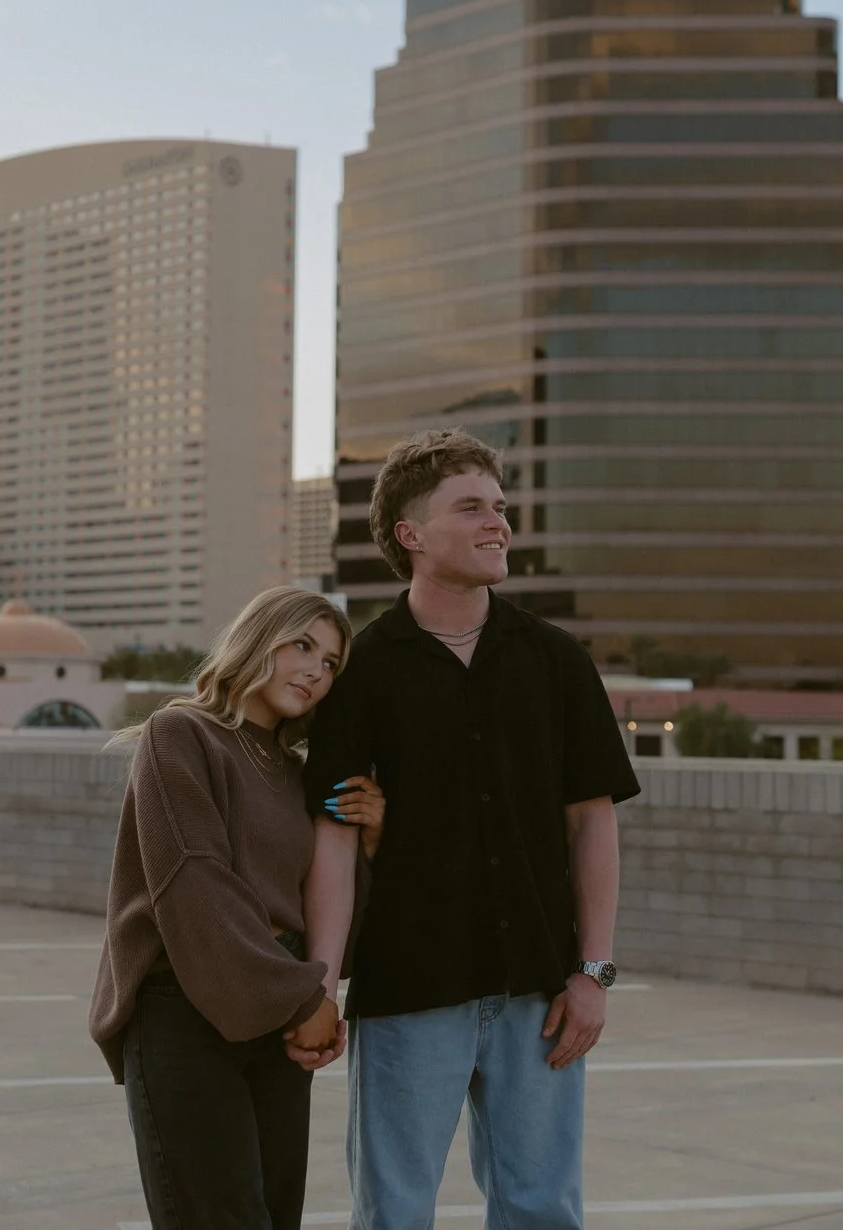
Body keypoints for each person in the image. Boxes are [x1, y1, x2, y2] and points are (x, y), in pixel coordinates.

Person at [300, 430, 640, 1230]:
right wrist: (320, 982)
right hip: (410, 987)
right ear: (410, 534)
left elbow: (593, 821)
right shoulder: (364, 671)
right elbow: (335, 837)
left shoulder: (556, 660)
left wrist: (594, 969)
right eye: (472, 507)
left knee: (542, 1208)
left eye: (500, 506)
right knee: (393, 1212)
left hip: (542, 992)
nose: (498, 523)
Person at [91, 586, 387, 1230]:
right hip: (186, 1005)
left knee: (276, 1218)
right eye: (302, 645)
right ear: (257, 639)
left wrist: (369, 844)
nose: (316, 670)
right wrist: (307, 997)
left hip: (279, 1011)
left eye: (332, 663)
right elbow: (196, 882)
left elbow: (324, 911)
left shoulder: (298, 771)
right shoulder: (181, 734)